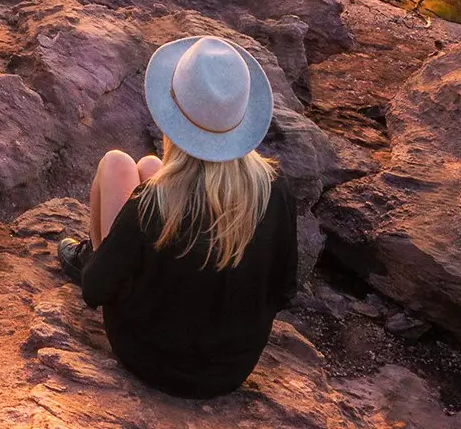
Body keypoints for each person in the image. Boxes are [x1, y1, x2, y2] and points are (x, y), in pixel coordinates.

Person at [55, 35, 299, 399]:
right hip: (231, 369)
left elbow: (95, 291)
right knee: (151, 166)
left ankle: (93, 255)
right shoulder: (273, 190)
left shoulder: (152, 205)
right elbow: (283, 290)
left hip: (150, 358)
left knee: (116, 164)